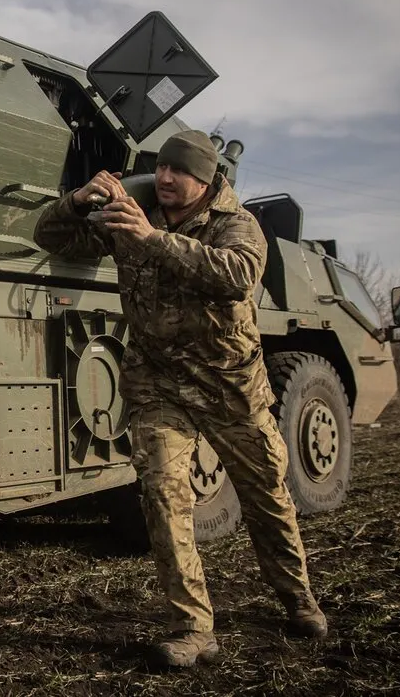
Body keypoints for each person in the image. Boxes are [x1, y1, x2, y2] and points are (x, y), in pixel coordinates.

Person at [33, 129, 328, 668]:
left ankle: (297, 598)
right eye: (162, 168)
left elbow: (236, 276)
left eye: (180, 172)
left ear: (207, 180)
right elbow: (52, 238)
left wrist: (151, 241)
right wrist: (76, 203)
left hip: (229, 385)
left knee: (266, 496)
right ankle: (192, 628)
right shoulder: (133, 213)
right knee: (164, 499)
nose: (166, 178)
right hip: (157, 382)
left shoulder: (237, 225)